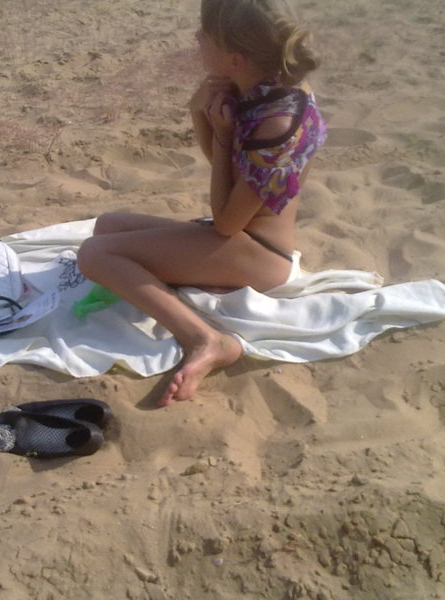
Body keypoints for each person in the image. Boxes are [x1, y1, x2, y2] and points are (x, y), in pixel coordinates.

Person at [76, 0, 327, 407]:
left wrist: (222, 134)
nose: (197, 40)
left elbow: (226, 220)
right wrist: (202, 115)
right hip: (239, 240)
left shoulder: (276, 124)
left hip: (261, 255)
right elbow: (230, 176)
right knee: (108, 224)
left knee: (94, 254)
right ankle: (193, 282)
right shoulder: (262, 89)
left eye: (205, 36)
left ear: (235, 58)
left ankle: (206, 339)